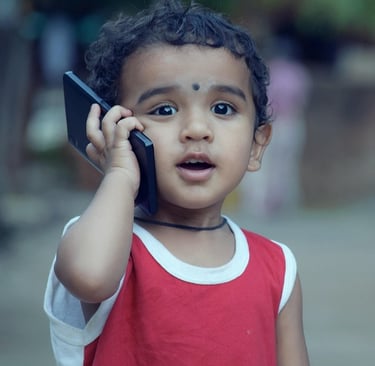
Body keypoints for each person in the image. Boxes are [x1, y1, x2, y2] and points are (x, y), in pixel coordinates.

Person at [44, 1, 310, 365]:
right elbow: (89, 277)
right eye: (164, 110)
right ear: (114, 128)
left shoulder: (278, 269)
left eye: (222, 109)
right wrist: (120, 173)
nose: (197, 130)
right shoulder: (109, 246)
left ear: (256, 144)